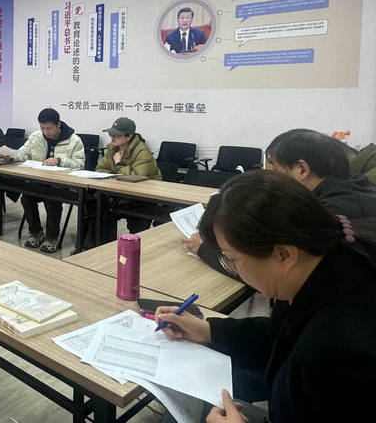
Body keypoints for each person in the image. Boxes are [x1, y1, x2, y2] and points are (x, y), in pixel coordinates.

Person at [155, 171, 376, 423]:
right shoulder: (331, 265)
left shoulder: (339, 348)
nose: (233, 268)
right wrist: (208, 330)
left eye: (232, 259)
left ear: (284, 255)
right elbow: (281, 334)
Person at [185, 128, 376, 271]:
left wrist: (204, 249)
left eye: (276, 170)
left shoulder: (326, 215)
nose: (273, 178)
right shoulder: (358, 189)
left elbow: (269, 270)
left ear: (302, 169)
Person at [3, 108, 84, 253]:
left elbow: (79, 165)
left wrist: (59, 160)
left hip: (61, 185)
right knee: (26, 197)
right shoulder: (36, 137)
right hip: (38, 181)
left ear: (58, 124)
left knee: (51, 199)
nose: (46, 132)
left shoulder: (74, 141)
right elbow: (23, 153)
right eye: (42, 128)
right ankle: (36, 232)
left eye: (49, 128)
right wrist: (12, 156)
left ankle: (52, 237)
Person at [93, 116, 163, 235]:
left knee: (136, 225)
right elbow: (100, 169)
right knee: (95, 206)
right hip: (120, 194)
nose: (112, 138)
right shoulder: (112, 149)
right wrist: (114, 177)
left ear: (129, 136)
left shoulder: (142, 152)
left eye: (117, 135)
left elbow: (137, 177)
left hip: (143, 197)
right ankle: (98, 243)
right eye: (111, 134)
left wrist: (118, 165)